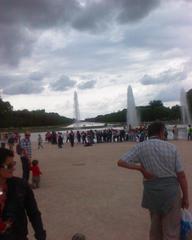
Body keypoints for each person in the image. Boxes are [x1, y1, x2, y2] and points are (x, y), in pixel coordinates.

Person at [117, 121, 189, 240]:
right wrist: (185, 197)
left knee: (155, 228)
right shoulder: (171, 147)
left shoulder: (140, 146)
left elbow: (121, 162)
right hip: (171, 193)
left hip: (152, 192)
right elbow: (181, 176)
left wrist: (141, 168)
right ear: (161, 132)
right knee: (171, 230)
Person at [0, 148, 46, 240]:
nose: (13, 168)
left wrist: (40, 235)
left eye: (13, 164)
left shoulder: (21, 185)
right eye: (8, 166)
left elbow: (33, 213)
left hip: (19, 236)